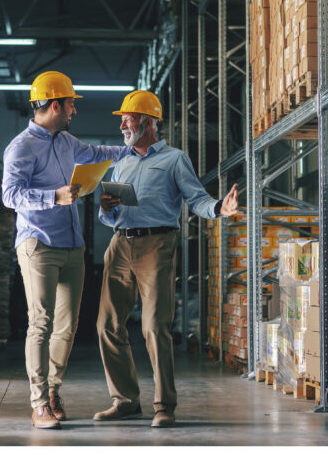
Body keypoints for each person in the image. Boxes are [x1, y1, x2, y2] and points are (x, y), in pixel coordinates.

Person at [94, 90, 238, 427]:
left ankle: (164, 406)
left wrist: (220, 208)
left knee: (154, 326)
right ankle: (125, 400)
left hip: (156, 246)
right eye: (122, 119)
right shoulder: (121, 161)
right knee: (106, 324)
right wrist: (105, 209)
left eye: (127, 118)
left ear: (147, 122)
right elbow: (109, 213)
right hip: (119, 245)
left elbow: (197, 199)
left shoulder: (174, 159)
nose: (122, 125)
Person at [2, 71, 131, 429]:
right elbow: (10, 196)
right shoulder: (21, 147)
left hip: (72, 246)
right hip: (38, 244)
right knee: (40, 323)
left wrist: (134, 148)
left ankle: (54, 390)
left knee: (68, 326)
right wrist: (53, 196)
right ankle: (38, 402)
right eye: (71, 103)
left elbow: (98, 153)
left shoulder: (67, 142)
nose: (74, 110)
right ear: (55, 104)